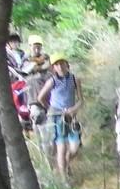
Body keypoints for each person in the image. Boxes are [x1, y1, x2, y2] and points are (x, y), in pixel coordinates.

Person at [36, 52, 84, 182]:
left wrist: (73, 109)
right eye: (56, 64)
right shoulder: (52, 81)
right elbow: (40, 97)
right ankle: (64, 179)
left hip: (71, 117)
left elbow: (81, 100)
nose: (60, 67)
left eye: (62, 63)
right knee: (61, 148)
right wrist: (50, 108)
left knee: (75, 147)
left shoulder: (75, 79)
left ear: (67, 64)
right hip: (57, 118)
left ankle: (66, 163)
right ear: (53, 68)